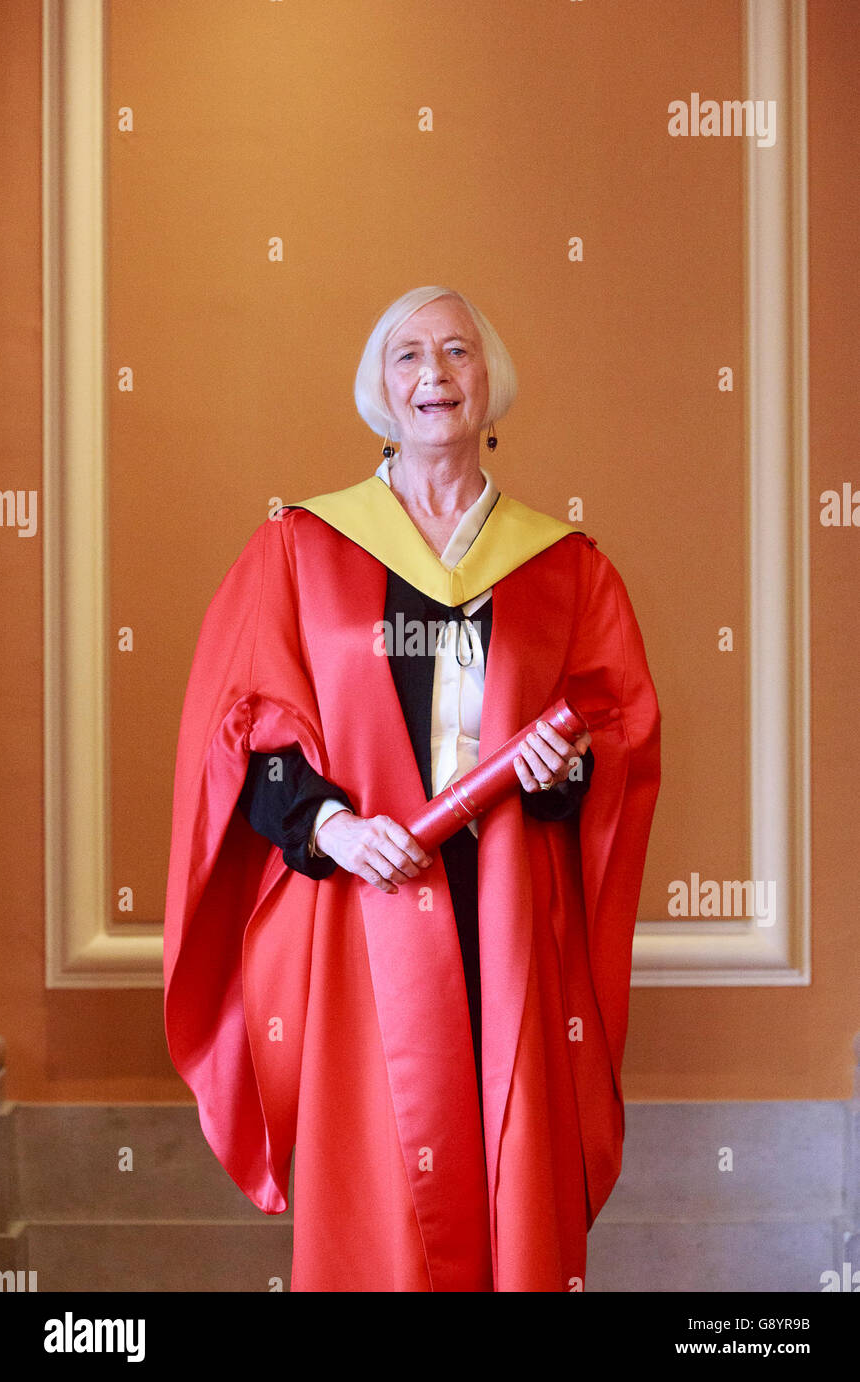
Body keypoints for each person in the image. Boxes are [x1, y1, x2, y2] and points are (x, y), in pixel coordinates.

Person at [163, 286, 661, 1292]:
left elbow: (613, 732)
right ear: (377, 393)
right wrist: (335, 828)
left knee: (506, 1144)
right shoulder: (300, 548)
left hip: (507, 903)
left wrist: (560, 772)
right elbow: (245, 732)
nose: (433, 375)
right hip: (366, 904)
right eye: (406, 357)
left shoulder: (562, 565)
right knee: (383, 1175)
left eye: (456, 353)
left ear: (490, 385)